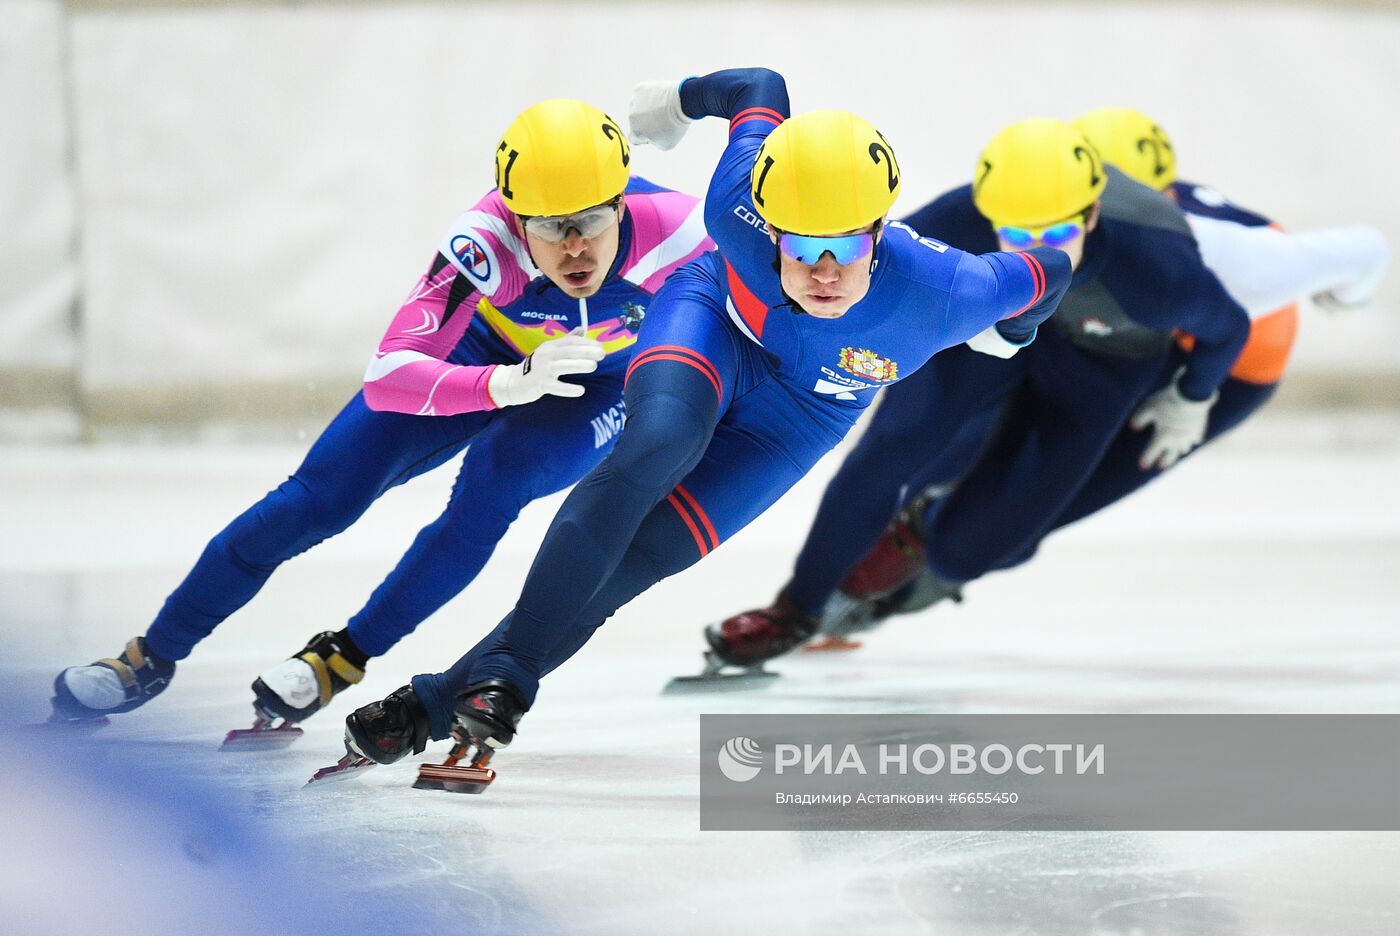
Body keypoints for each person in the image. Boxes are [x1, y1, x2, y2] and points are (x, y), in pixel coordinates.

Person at [328, 67, 1073, 776]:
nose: (820, 271)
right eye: (798, 246)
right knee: (656, 444)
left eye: (843, 247)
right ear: (767, 227)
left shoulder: (954, 291)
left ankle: (433, 702)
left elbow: (1052, 272)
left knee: (639, 562)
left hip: (804, 413)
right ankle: (511, 674)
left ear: (878, 230)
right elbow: (759, 87)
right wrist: (682, 103)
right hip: (715, 322)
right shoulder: (735, 206)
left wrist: (1016, 330)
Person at [50, 99, 713, 731]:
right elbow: (392, 375)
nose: (574, 247)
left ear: (622, 200)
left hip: (597, 386)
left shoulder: (685, 233)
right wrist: (504, 383)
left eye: (592, 219)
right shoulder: (482, 244)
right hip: (481, 354)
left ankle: (344, 656)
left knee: (497, 481)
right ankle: (148, 657)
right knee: (316, 499)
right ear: (514, 217)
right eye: (547, 226)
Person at [755, 109, 1390, 647]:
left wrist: (1197, 396)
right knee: (944, 440)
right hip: (1079, 326)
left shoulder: (1227, 261)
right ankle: (891, 555)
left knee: (1020, 516)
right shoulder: (1038, 204)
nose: (1042, 240)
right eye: (1025, 224)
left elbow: (1358, 254)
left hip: (1213, 359)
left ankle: (928, 563)